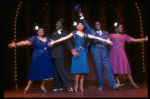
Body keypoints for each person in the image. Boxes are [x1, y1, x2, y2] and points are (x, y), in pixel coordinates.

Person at [48, 20, 112, 92]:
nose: (80, 25)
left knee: (83, 70)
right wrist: (54, 42)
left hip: (83, 53)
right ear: (76, 26)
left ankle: (81, 86)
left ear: (83, 26)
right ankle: (76, 85)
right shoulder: (74, 33)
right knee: (77, 71)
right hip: (77, 52)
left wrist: (106, 40)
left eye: (81, 24)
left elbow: (96, 37)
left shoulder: (85, 34)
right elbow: (64, 38)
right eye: (79, 24)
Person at [78, 13, 123, 90]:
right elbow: (86, 26)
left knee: (108, 68)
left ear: (100, 26)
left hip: (104, 51)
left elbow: (109, 42)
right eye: (96, 24)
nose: (97, 25)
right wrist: (82, 17)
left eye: (99, 24)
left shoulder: (106, 33)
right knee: (98, 68)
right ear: (94, 26)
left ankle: (114, 84)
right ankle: (101, 85)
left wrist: (108, 42)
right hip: (96, 51)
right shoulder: (92, 31)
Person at [8, 26, 53, 93]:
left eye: (42, 30)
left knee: (45, 72)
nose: (41, 31)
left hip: (46, 57)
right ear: (37, 32)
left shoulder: (47, 38)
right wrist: (16, 44)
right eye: (39, 30)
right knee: (34, 71)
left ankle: (42, 86)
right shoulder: (34, 38)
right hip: (37, 57)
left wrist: (52, 43)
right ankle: (28, 86)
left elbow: (54, 42)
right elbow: (25, 42)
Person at [109, 22, 148, 88]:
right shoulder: (111, 35)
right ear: (116, 28)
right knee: (115, 68)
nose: (121, 28)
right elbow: (105, 40)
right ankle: (118, 83)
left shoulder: (124, 36)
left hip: (121, 53)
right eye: (119, 27)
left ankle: (132, 82)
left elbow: (134, 40)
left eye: (121, 27)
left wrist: (144, 39)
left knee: (126, 68)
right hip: (113, 54)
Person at [50, 18, 77, 92]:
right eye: (57, 23)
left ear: (62, 25)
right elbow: (51, 42)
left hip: (60, 53)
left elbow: (68, 42)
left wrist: (72, 50)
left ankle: (68, 86)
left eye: (59, 23)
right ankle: (58, 86)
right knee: (55, 71)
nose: (57, 24)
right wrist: (49, 44)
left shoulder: (65, 33)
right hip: (53, 53)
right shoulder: (53, 33)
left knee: (63, 70)